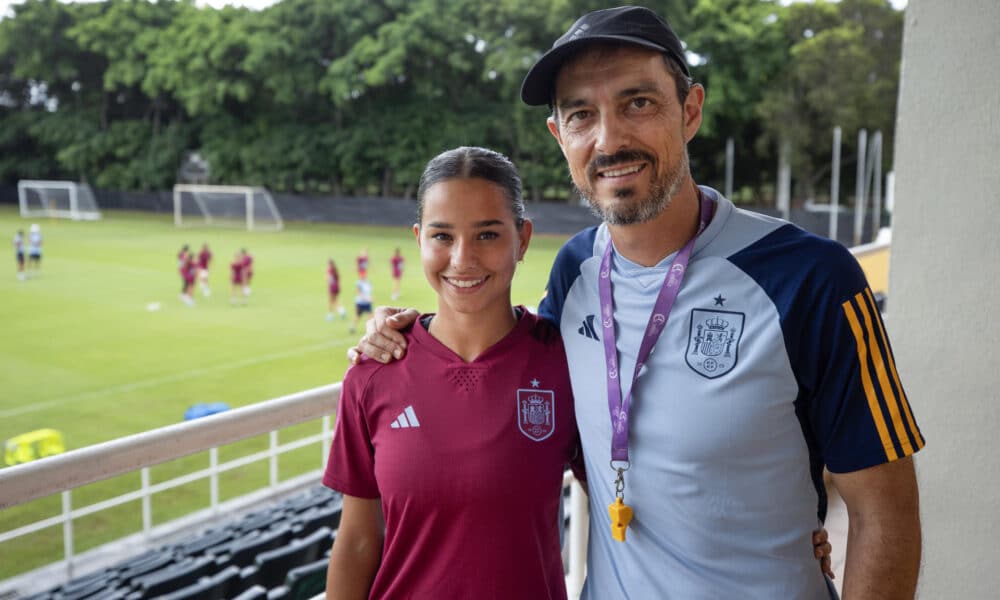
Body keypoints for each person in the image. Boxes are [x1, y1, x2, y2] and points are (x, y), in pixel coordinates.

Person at [351, 6, 920, 598]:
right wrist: (397, 335)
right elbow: (505, 366)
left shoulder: (812, 278)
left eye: (638, 103)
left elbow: (888, 513)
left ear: (690, 110)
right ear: (560, 137)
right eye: (581, 115)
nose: (609, 138)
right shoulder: (574, 272)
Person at [324, 146, 582, 600]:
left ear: (522, 239)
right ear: (419, 239)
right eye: (442, 236)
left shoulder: (567, 362)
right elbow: (358, 539)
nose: (462, 259)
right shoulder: (373, 373)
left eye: (487, 235)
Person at [349, 267, 372, 335]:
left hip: (367, 303)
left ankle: (369, 330)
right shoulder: (359, 283)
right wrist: (366, 298)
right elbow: (359, 293)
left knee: (370, 317)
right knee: (357, 316)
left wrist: (370, 298)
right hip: (360, 303)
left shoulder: (368, 282)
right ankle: (352, 326)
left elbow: (368, 292)